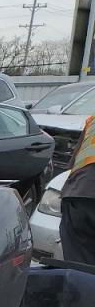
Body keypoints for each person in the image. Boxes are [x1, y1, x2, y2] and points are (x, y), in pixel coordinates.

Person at [60, 113, 95, 264]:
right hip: (79, 193)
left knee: (79, 269)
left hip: (77, 194)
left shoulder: (92, 120)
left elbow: (73, 164)